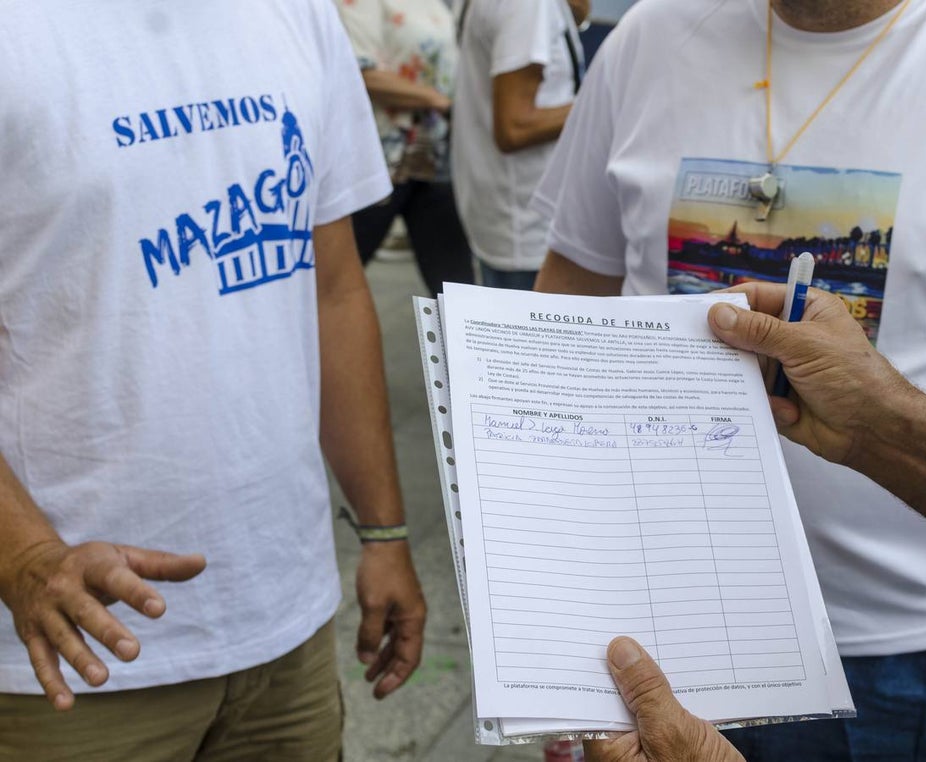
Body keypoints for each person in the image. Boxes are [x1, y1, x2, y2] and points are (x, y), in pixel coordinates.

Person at [532, 0, 926, 756]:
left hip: (917, 646)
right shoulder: (650, 36)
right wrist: (551, 635)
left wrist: (884, 421)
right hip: (662, 629)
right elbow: (566, 305)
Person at [0, 1, 426, 759]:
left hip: (284, 628)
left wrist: (385, 531)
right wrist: (26, 557)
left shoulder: (298, 14)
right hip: (68, 655)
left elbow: (332, 286)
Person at [335, 0, 476, 295]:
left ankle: (469, 339)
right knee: (335, 280)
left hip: (434, 155)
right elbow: (360, 72)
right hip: (381, 160)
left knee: (455, 287)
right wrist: (439, 101)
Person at [451, 0, 590, 290]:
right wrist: (602, 103)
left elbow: (576, 15)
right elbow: (515, 128)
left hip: (507, 211)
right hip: (528, 223)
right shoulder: (528, 5)